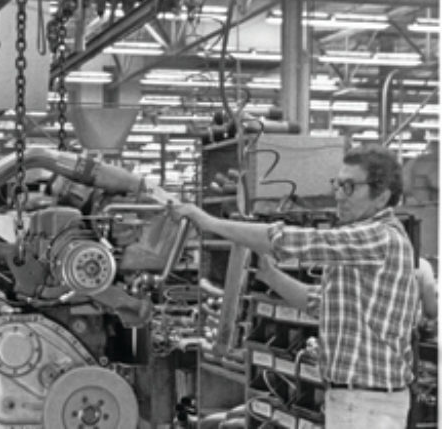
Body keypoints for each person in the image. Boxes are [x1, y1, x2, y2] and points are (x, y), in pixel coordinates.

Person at [170, 145, 419, 428]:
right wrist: (270, 276)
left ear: (382, 196)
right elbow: (321, 304)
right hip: (351, 399)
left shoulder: (380, 237)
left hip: (367, 405)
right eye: (337, 184)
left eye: (349, 187)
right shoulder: (359, 245)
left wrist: (209, 222)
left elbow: (297, 241)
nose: (338, 194)